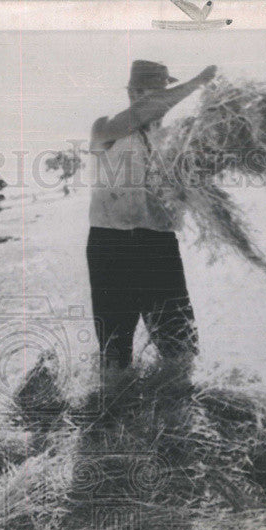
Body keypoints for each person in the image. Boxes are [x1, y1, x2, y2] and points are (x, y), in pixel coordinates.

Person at [87, 59, 217, 372]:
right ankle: (116, 411)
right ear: (134, 92)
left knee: (180, 348)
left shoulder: (173, 139)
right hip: (111, 245)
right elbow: (143, 113)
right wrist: (196, 82)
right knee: (115, 350)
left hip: (157, 246)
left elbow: (195, 176)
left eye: (165, 90)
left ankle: (174, 409)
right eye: (158, 90)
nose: (164, 98)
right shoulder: (105, 126)